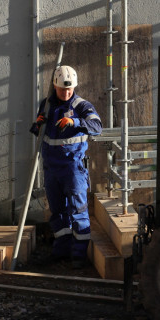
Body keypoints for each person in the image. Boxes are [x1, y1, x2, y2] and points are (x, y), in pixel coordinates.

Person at [31, 65, 102, 268]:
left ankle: (79, 255)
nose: (66, 93)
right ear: (55, 86)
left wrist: (75, 121)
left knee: (78, 210)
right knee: (57, 211)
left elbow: (97, 127)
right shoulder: (47, 104)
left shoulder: (82, 105)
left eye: (69, 89)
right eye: (62, 89)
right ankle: (61, 251)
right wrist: (38, 124)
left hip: (73, 167)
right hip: (51, 167)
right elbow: (38, 131)